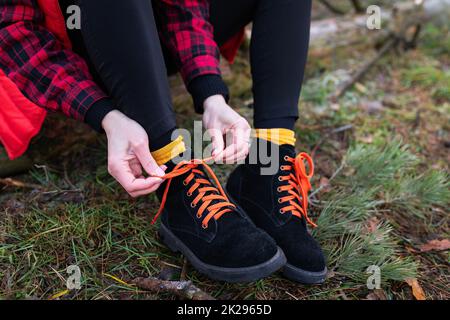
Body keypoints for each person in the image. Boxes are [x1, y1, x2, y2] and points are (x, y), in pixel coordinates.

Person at [0, 0, 326, 284]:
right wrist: (104, 115)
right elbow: (12, 31)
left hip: (152, 32)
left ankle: (268, 166)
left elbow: (181, 4)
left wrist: (210, 92)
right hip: (83, 44)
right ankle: (172, 170)